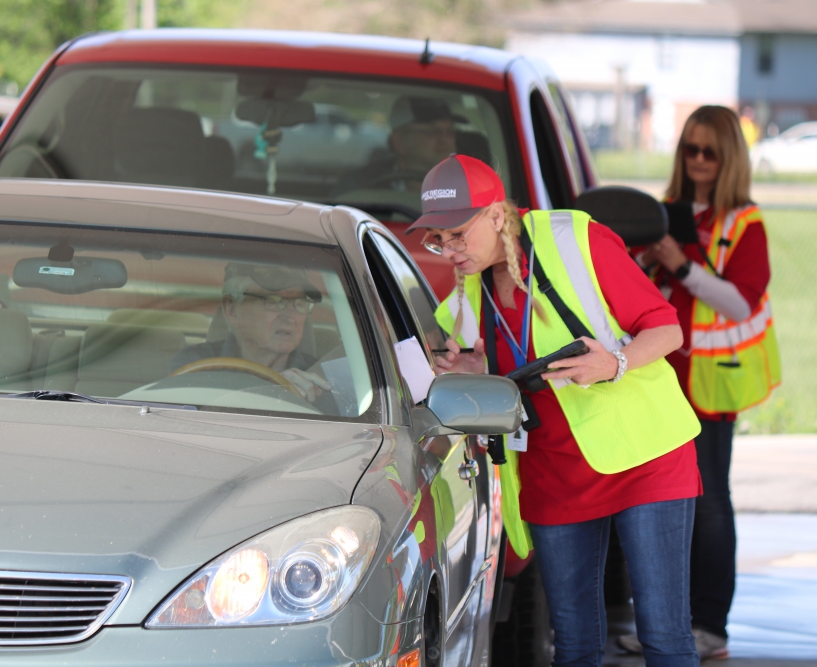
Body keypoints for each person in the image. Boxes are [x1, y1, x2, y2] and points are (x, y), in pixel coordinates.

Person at [417, 154, 703, 667]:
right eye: (437, 240)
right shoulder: (466, 288)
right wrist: (476, 364)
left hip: (644, 454)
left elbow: (668, 329)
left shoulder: (575, 241)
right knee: (573, 646)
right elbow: (495, 366)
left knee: (664, 639)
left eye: (457, 234)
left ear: (497, 216)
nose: (448, 251)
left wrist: (614, 363)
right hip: (554, 468)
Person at [619, 105, 779, 661]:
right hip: (658, 380)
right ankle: (665, 624)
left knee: (709, 506)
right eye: (691, 149)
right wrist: (646, 261)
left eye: (710, 151)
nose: (700, 161)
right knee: (658, 505)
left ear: (730, 156)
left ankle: (709, 626)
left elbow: (741, 300)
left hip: (711, 385)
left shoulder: (744, 222)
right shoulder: (665, 213)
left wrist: (682, 265)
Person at [169, 263, 331, 403]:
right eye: (274, 301)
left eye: (300, 302)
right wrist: (271, 390)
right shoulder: (195, 364)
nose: (291, 317)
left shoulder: (320, 379)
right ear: (232, 310)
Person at [333, 96, 462, 194]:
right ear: (399, 141)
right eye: (433, 132)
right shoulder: (359, 186)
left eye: (450, 131)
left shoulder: (470, 185)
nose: (445, 139)